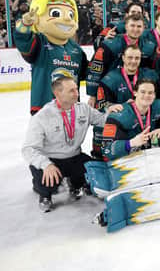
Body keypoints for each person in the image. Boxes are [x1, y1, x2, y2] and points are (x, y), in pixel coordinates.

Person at [22, 76, 122, 212]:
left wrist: (110, 112)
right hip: (51, 160)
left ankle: (74, 182)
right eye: (71, 91)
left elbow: (102, 120)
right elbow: (28, 149)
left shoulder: (83, 109)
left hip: (74, 156)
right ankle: (43, 192)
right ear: (58, 93)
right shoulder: (42, 116)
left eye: (76, 89)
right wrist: (46, 165)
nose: (77, 93)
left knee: (97, 172)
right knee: (48, 182)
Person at [14, 0, 88, 114]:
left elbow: (85, 72)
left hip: (70, 107)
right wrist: (25, 25)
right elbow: (23, 42)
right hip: (44, 106)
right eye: (56, 13)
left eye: (71, 14)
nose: (66, 19)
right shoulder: (40, 42)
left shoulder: (75, 48)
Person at [101, 79, 160, 161]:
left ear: (154, 95)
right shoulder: (118, 114)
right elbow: (106, 150)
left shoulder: (159, 105)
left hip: (149, 154)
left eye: (150, 93)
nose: (147, 95)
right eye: (143, 92)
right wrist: (131, 143)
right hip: (127, 160)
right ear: (135, 93)